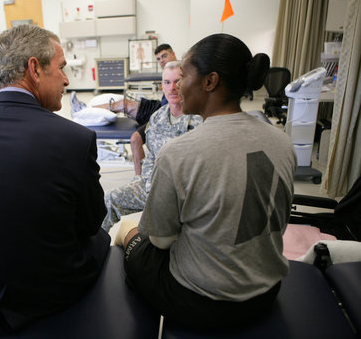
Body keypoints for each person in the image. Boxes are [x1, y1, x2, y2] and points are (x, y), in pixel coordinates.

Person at [0, 25, 110, 334]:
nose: (67, 79)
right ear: (34, 69)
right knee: (104, 237)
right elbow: (90, 223)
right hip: (53, 295)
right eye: (61, 68)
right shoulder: (74, 140)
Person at [114, 33, 297, 328]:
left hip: (203, 303)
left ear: (210, 82)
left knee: (129, 232)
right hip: (267, 291)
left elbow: (160, 240)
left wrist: (133, 232)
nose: (176, 88)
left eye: (183, 76)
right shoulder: (282, 142)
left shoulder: (178, 153)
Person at [101, 61, 202, 232]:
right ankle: (97, 247)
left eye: (178, 81)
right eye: (167, 82)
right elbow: (150, 159)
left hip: (185, 196)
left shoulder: (199, 121)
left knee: (153, 232)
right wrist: (147, 185)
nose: (172, 88)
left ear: (187, 83)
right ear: (162, 86)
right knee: (110, 199)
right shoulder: (158, 117)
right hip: (153, 187)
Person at [71, 44, 177, 175]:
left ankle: (83, 110)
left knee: (125, 107)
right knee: (124, 103)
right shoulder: (170, 71)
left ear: (173, 54)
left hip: (163, 112)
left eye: (164, 56)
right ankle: (85, 110)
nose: (162, 60)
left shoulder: (182, 72)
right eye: (159, 59)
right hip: (159, 106)